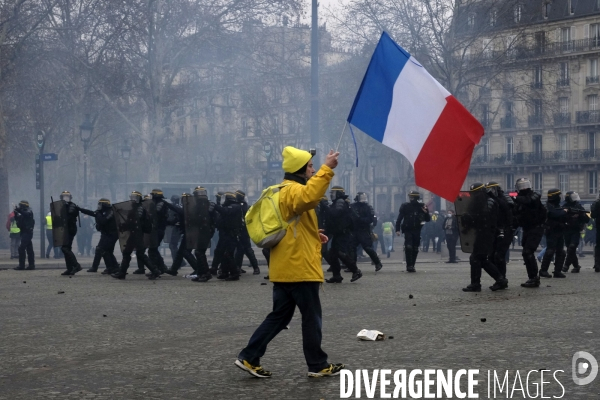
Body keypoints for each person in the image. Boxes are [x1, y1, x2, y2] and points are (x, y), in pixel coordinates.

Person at [235, 147, 345, 379]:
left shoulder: (281, 190)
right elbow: (310, 197)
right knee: (311, 316)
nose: (313, 170)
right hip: (299, 268)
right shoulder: (295, 190)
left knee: (279, 316)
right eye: (310, 167)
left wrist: (313, 233)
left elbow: (292, 221)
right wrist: (327, 170)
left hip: (285, 265)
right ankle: (317, 364)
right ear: (300, 169)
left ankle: (249, 355)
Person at [461, 183, 508, 292]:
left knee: (478, 258)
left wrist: (471, 218)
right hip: (482, 233)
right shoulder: (480, 202)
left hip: (487, 233)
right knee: (479, 259)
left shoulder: (489, 202)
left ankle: (496, 280)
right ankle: (481, 283)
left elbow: (485, 219)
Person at [111, 191, 161, 280]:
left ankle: (154, 271)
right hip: (134, 233)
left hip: (136, 233)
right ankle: (154, 271)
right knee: (134, 253)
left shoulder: (139, 208)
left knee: (134, 253)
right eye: (132, 197)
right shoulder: (134, 208)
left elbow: (135, 221)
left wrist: (125, 225)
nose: (133, 199)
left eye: (135, 197)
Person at [325, 186, 362, 283]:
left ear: (338, 193)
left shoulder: (340, 201)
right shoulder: (338, 202)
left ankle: (356, 271)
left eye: (333, 193)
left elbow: (336, 214)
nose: (331, 195)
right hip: (339, 232)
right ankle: (336, 276)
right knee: (333, 254)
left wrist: (325, 207)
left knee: (340, 253)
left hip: (343, 233)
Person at [513, 178, 546, 288]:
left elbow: (529, 201)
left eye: (525, 185)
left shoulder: (535, 196)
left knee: (528, 252)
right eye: (521, 186)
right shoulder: (519, 200)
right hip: (527, 228)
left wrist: (515, 197)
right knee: (525, 253)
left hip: (536, 228)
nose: (524, 188)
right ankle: (532, 277)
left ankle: (534, 278)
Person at [78, 199, 120, 274]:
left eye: (100, 205)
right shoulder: (102, 212)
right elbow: (91, 212)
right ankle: (114, 267)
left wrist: (98, 214)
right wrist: (80, 209)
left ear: (104, 205)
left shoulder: (111, 212)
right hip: (106, 234)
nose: (98, 206)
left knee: (103, 250)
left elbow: (103, 221)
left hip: (111, 234)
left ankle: (110, 267)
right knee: (107, 251)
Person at [164, 193, 200, 277]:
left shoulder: (190, 209)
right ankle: (174, 269)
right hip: (188, 233)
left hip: (191, 233)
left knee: (185, 252)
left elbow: (177, 210)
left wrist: (166, 203)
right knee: (180, 252)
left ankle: (198, 268)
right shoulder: (190, 208)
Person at [396, 191, 430, 272]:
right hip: (408, 229)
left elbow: (428, 219)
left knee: (415, 248)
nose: (411, 199)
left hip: (417, 229)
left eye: (413, 197)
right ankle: (409, 265)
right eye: (410, 197)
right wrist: (397, 229)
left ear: (416, 198)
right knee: (408, 247)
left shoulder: (422, 206)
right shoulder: (405, 206)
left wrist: (426, 213)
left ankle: (412, 265)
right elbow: (399, 218)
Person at [486, 182, 514, 279]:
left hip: (505, 229)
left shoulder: (504, 198)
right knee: (491, 257)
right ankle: (499, 278)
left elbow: (506, 208)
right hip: (494, 230)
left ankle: (502, 278)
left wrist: (494, 197)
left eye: (491, 190)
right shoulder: (489, 200)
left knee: (499, 255)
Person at [213, 192, 243, 281]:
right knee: (222, 253)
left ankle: (234, 273)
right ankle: (224, 272)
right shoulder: (230, 207)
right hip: (225, 234)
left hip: (231, 235)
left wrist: (216, 206)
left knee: (228, 254)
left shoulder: (235, 206)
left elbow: (226, 211)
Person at [350, 192, 383, 271]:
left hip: (364, 230)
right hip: (354, 230)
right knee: (351, 248)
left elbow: (371, 219)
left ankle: (377, 262)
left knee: (367, 247)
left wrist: (361, 220)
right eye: (362, 197)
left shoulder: (368, 207)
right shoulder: (352, 206)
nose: (363, 199)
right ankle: (352, 266)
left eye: (364, 197)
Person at [539, 189, 567, 278]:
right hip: (551, 231)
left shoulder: (558, 206)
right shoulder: (548, 206)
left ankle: (557, 271)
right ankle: (543, 270)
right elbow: (555, 214)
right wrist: (564, 212)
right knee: (550, 251)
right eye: (558, 196)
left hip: (559, 231)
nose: (560, 197)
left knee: (561, 252)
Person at [561, 191, 589, 273]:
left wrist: (581, 215)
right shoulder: (564, 207)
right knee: (570, 249)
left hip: (576, 230)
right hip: (566, 230)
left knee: (572, 247)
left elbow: (587, 219)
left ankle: (566, 265)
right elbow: (561, 218)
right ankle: (576, 266)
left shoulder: (579, 206)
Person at [234, 190, 260, 275]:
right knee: (243, 249)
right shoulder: (246, 206)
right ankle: (254, 267)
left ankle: (253, 267)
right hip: (245, 230)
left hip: (241, 230)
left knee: (245, 249)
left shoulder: (239, 206)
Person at [58, 191, 82, 276]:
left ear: (70, 197)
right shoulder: (64, 206)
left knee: (65, 249)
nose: (65, 198)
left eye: (67, 196)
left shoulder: (72, 205)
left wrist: (65, 206)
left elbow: (69, 214)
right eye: (64, 196)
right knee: (66, 248)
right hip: (65, 229)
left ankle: (76, 265)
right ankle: (70, 268)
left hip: (70, 229)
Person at [12, 200, 35, 271]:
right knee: (29, 249)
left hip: (27, 232)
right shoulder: (22, 213)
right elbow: (18, 220)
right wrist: (15, 213)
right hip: (24, 232)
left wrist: (18, 210)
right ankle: (31, 265)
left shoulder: (28, 211)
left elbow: (26, 214)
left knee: (21, 248)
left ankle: (22, 265)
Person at [591, 193, 600, 272]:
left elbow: (593, 215)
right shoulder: (597, 203)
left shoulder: (597, 203)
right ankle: (597, 264)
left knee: (598, 246)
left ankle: (597, 264)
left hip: (599, 226)